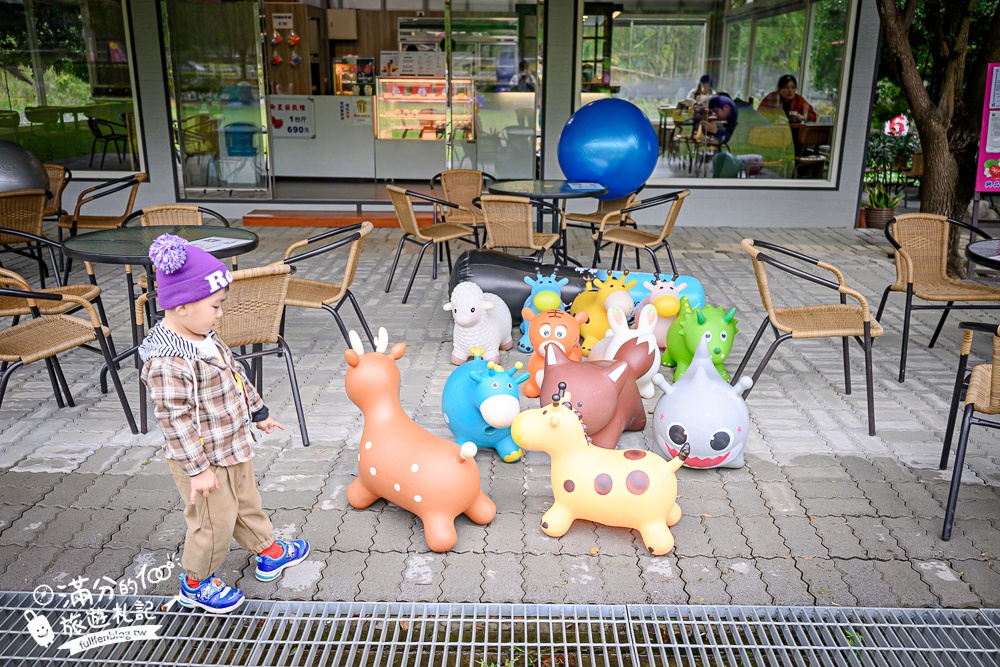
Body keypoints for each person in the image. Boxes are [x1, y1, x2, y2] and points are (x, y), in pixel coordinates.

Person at [139, 234, 310, 614]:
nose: (220, 314)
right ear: (183, 306)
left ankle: (267, 550)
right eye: (215, 306)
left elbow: (236, 376)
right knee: (213, 522)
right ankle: (195, 582)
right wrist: (198, 470)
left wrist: (259, 413)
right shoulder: (168, 362)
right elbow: (175, 421)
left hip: (233, 445)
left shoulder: (206, 338)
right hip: (202, 461)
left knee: (246, 503)